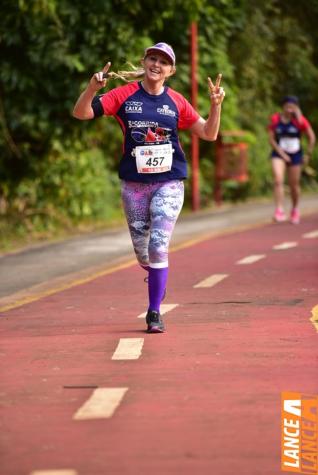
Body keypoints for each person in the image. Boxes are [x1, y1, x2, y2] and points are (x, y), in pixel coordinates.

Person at [73, 42, 225, 333]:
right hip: (134, 186)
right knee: (144, 253)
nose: (157, 64)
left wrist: (216, 106)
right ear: (144, 62)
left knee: (158, 245)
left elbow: (209, 133)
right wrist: (92, 88)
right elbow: (81, 113)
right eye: (153, 58)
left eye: (164, 62)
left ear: (171, 70)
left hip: (169, 182)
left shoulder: (177, 102)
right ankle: (158, 278)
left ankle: (154, 311)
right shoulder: (124, 95)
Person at [268, 95, 316, 224]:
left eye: (292, 107)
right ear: (283, 107)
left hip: (295, 154)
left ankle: (295, 209)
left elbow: (311, 137)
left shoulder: (300, 121)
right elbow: (271, 139)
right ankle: (279, 210)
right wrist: (282, 154)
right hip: (279, 153)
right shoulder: (276, 119)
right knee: (278, 180)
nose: (289, 109)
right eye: (287, 106)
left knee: (294, 185)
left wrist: (307, 154)